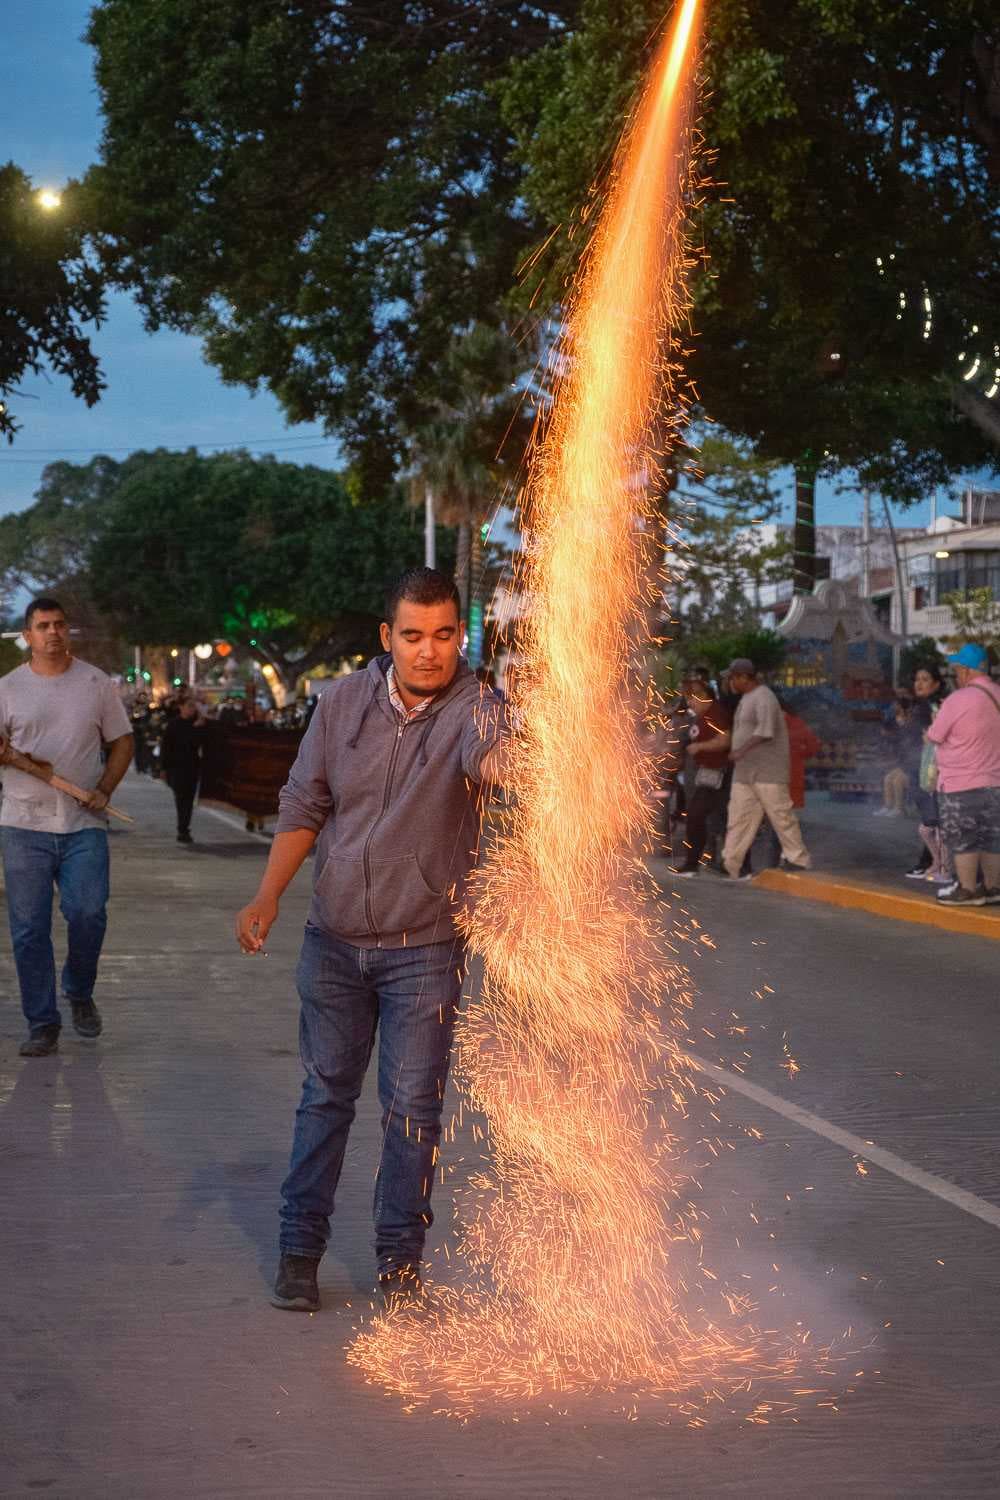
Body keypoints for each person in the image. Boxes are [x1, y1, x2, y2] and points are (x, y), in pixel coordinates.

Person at [235, 567, 508, 1315]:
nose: (429, 651)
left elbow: (496, 763)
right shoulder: (340, 703)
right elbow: (305, 803)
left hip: (426, 948)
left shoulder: (478, 709)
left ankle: (399, 1264)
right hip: (333, 943)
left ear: (459, 637)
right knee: (324, 1098)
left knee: (412, 1110)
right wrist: (268, 894)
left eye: (444, 635)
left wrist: (539, 753)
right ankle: (299, 1252)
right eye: (413, 635)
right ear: (388, 637)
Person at [0, 597, 134, 1057]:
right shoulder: (8, 688)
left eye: (59, 624)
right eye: (43, 626)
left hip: (84, 823)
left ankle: (78, 988)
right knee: (28, 930)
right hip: (23, 824)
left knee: (88, 912)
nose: (53, 632)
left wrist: (105, 788)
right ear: (28, 635)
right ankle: (42, 1023)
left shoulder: (95, 683)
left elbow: (123, 741)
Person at [720, 658, 811, 879]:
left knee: (781, 816)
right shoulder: (747, 698)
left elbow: (765, 731)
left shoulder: (764, 697)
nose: (730, 682)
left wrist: (740, 751)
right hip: (745, 772)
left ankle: (797, 858)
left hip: (768, 771)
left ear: (744, 677)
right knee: (739, 817)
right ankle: (731, 862)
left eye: (732, 678)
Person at [925, 644, 1000, 906]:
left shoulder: (958, 699)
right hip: (996, 784)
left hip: (961, 785)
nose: (956, 675)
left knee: (964, 839)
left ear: (967, 670)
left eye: (957, 669)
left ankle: (967, 891)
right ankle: (993, 888)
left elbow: (934, 736)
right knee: (992, 838)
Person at [672, 666, 731, 876]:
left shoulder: (715, 714)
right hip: (704, 774)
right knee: (699, 816)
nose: (689, 704)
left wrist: (700, 747)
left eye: (692, 699)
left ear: (704, 696)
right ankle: (700, 861)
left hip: (716, 774)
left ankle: (697, 862)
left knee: (699, 816)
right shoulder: (702, 716)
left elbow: (725, 740)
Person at [903, 666, 950, 883]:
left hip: (928, 770)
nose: (919, 683)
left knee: (932, 820)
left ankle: (934, 864)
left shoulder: (931, 707)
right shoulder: (922, 705)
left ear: (936, 684)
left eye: (925, 679)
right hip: (920, 768)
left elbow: (932, 738)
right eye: (917, 679)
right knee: (930, 819)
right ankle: (933, 862)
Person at [764, 697, 821, 868]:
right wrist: (800, 754)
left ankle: (782, 859)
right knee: (785, 821)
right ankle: (785, 858)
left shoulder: (769, 725)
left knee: (779, 822)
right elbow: (814, 746)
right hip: (791, 778)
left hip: (775, 779)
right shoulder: (796, 723)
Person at [160, 695, 204, 844]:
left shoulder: (197, 724)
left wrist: (198, 727)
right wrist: (163, 768)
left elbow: (198, 744)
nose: (192, 709)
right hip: (176, 768)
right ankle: (182, 828)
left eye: (194, 706)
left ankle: (184, 828)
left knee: (189, 800)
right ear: (181, 707)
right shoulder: (173, 724)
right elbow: (166, 747)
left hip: (192, 767)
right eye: (189, 705)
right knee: (181, 798)